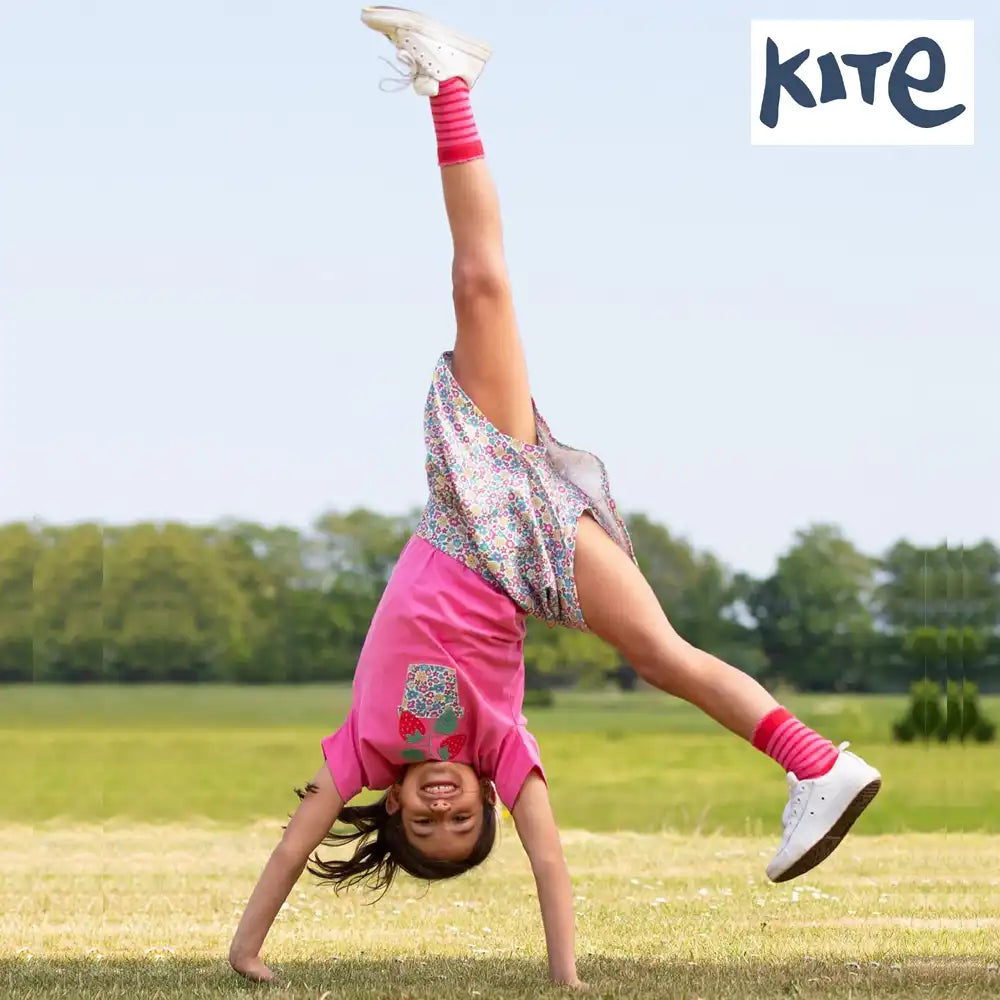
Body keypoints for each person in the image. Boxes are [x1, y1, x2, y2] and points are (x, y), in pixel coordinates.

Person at [228, 7, 882, 988]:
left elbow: (286, 852)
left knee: (481, 290)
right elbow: (548, 859)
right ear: (485, 802)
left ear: (394, 808)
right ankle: (815, 763)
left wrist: (244, 949)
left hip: (475, 519)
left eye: (429, 820)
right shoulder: (501, 748)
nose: (445, 804)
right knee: (663, 651)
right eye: (463, 820)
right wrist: (565, 975)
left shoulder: (360, 752)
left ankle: (451, 88)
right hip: (521, 548)